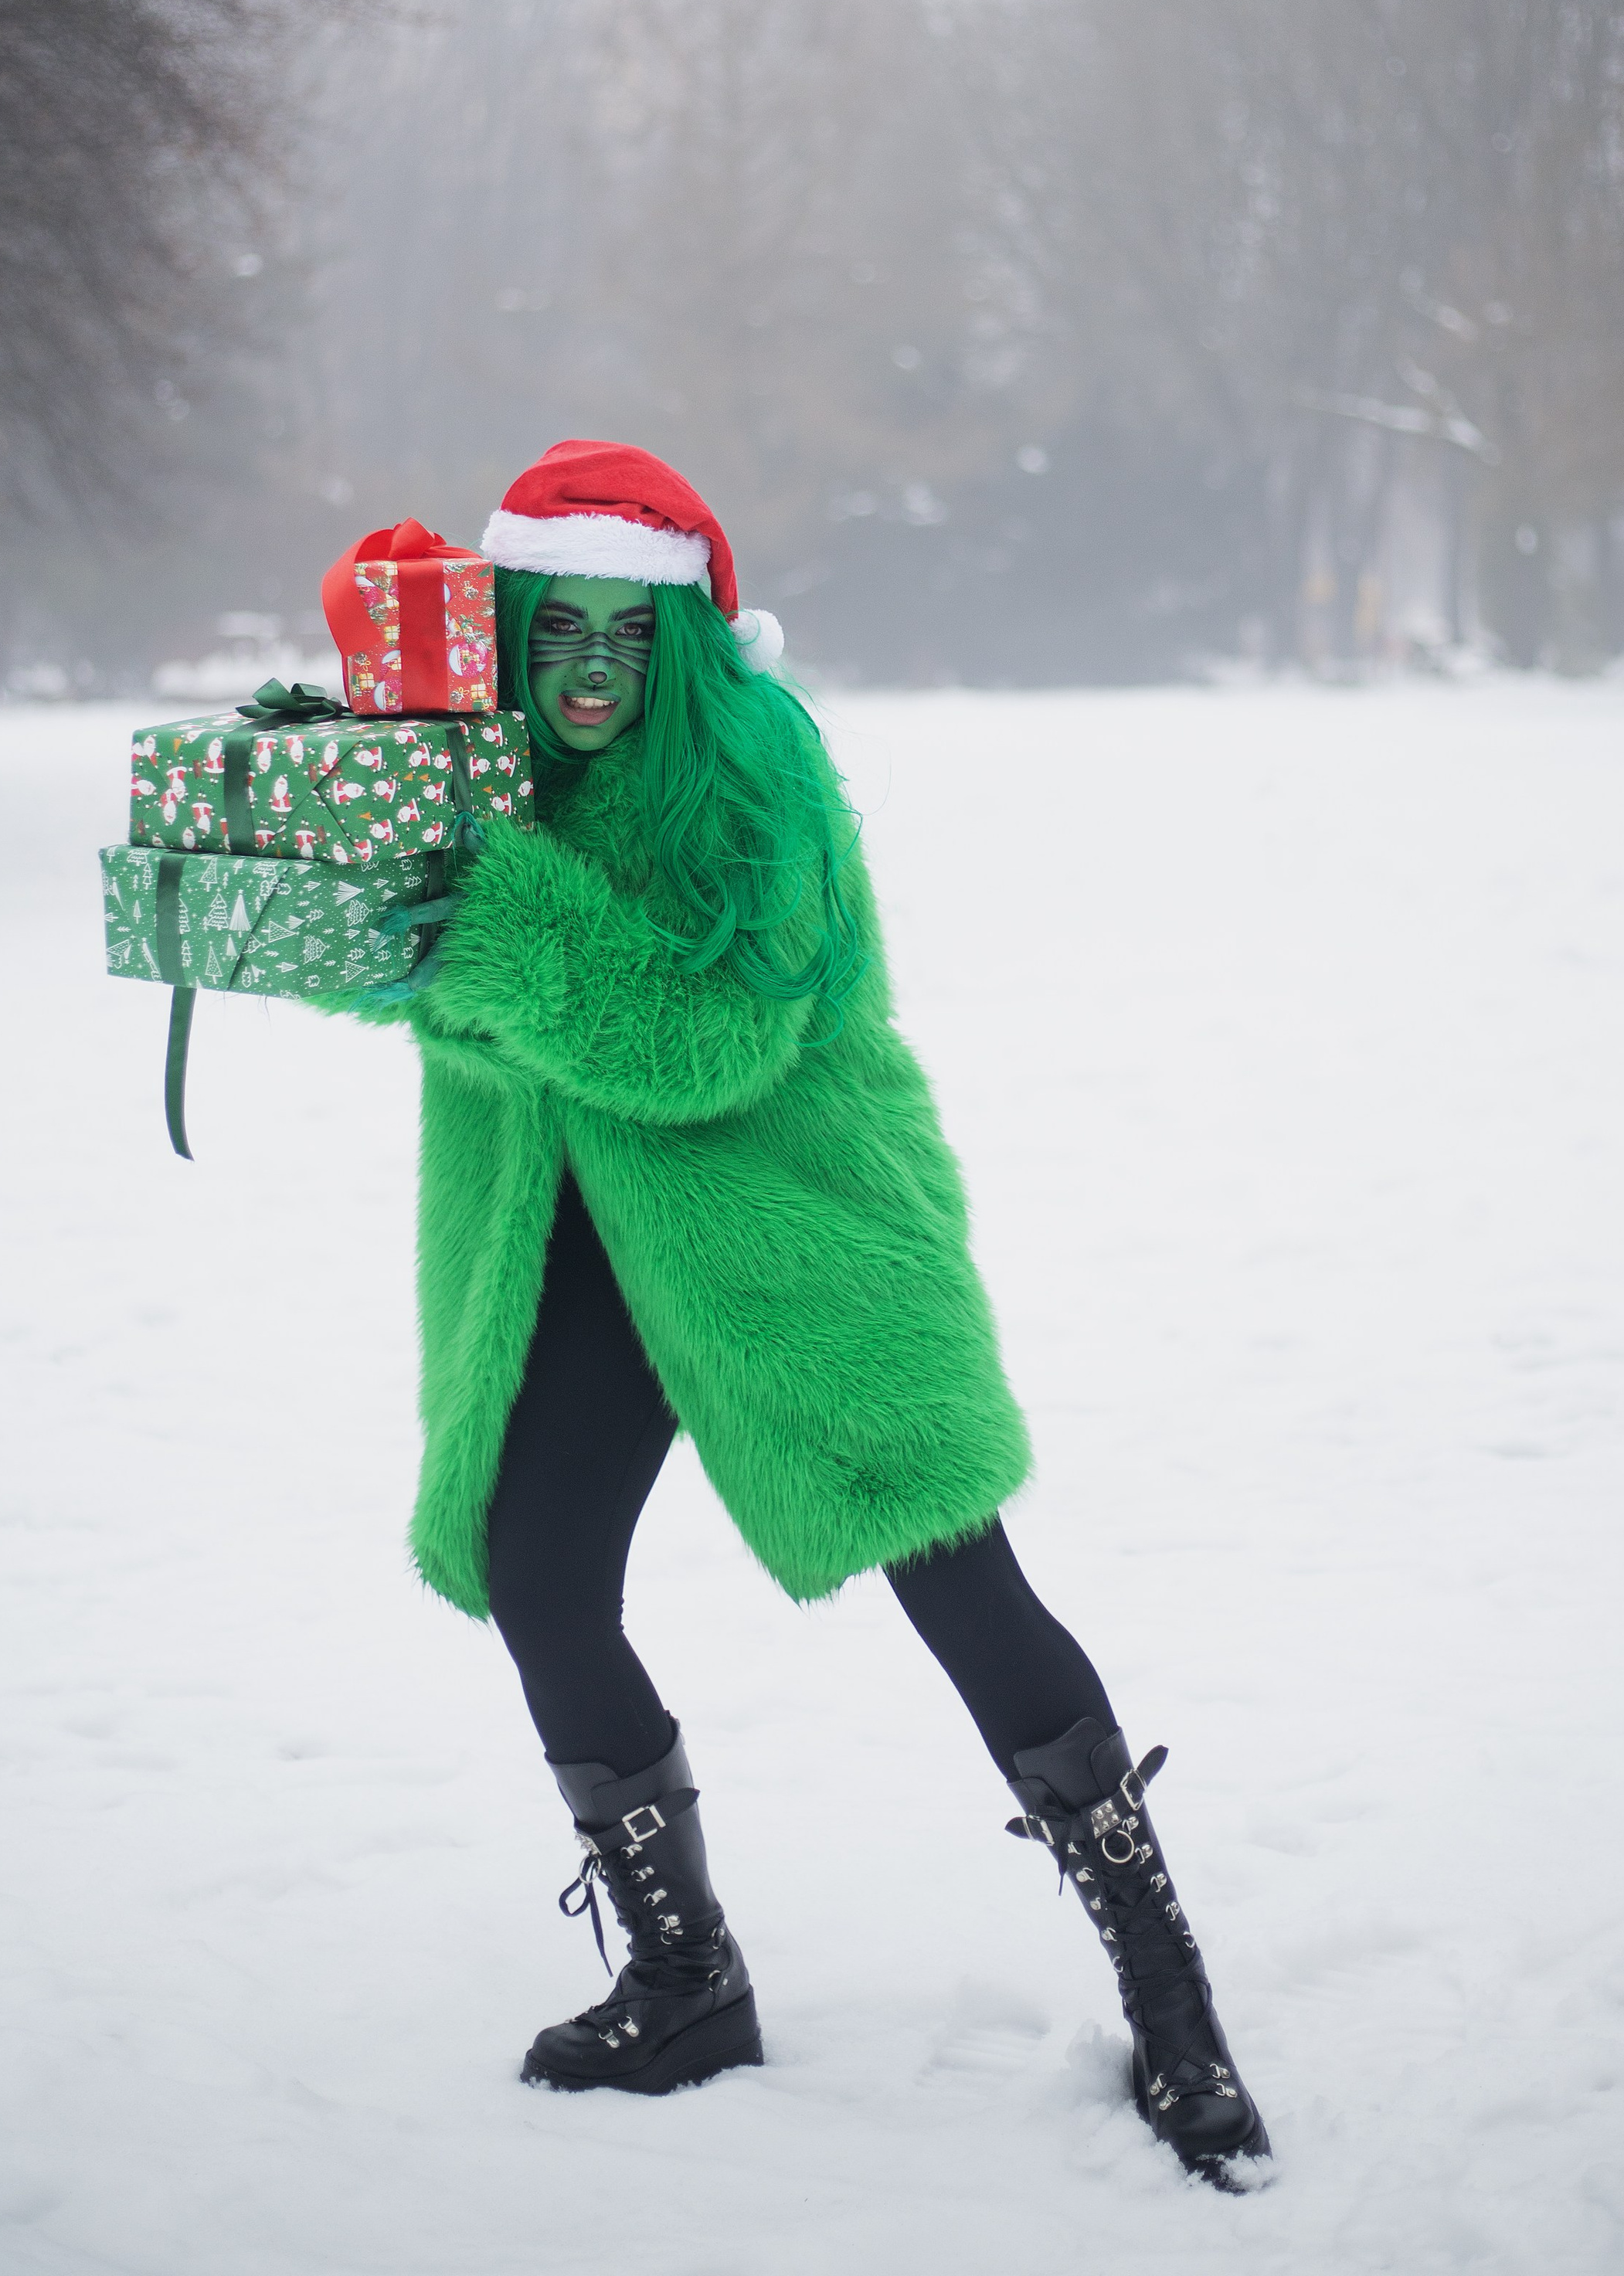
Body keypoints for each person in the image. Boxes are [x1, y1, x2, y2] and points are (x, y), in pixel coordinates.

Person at [358, 440, 1269, 2190]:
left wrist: (474, 915)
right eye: (560, 638)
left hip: (804, 1242)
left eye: (631, 639)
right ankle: (684, 1978)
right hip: (575, 1244)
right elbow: (455, 1016)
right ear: (514, 632)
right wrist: (371, 894)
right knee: (538, 1572)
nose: (593, 675)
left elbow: (693, 1043)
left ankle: (1171, 2002)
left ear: (684, 639)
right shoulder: (475, 775)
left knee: (959, 1583)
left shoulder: (755, 774)